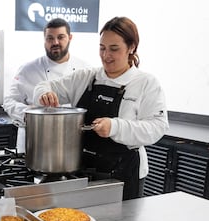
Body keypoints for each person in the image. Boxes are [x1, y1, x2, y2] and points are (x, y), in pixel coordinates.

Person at [34, 16, 169, 200]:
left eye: (114, 49)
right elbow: (44, 86)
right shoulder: (86, 77)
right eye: (102, 48)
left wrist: (115, 127)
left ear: (131, 48)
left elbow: (157, 127)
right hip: (82, 171)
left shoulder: (146, 83)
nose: (106, 55)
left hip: (124, 174)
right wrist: (44, 94)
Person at [3, 18, 90, 153]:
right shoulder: (27, 69)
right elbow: (9, 100)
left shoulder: (84, 70)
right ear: (44, 40)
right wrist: (27, 114)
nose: (55, 42)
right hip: (32, 143)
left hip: (70, 145)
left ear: (70, 38)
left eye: (60, 37)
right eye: (50, 38)